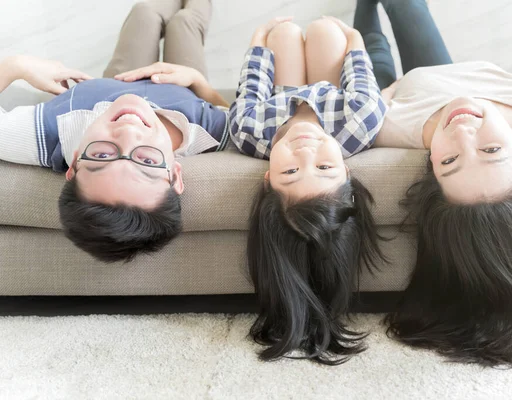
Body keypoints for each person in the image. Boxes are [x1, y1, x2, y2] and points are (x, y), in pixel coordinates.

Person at [353, 0, 512, 369]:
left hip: (408, 93)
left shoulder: (386, 128)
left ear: (430, 165)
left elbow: (371, 103)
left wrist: (387, 94)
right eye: (491, 149)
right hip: (449, 74)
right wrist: (478, 113)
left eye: (449, 161)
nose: (463, 134)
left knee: (374, 55)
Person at [0, 0, 229, 263]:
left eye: (102, 155)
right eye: (147, 160)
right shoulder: (208, 132)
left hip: (117, 79)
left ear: (73, 163)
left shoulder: (48, 133)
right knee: (186, 22)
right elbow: (232, 115)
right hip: (179, 82)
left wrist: (15, 66)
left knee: (144, 12)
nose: (128, 132)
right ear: (175, 174)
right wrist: (198, 81)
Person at [228, 16, 388, 364]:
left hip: (280, 94)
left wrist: (257, 41)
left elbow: (251, 87)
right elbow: (360, 78)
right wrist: (354, 38)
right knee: (325, 33)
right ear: (346, 171)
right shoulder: (360, 122)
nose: (305, 152)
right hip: (331, 90)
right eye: (324, 168)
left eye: (290, 170)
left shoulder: (249, 133)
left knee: (282, 34)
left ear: (267, 178)